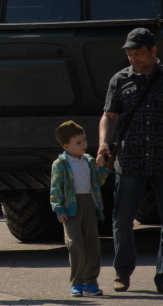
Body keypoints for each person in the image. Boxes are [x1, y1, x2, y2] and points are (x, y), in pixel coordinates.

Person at [99, 28, 163, 295]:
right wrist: (102, 144)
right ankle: (122, 273)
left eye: (139, 54)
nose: (134, 59)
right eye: (130, 54)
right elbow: (108, 117)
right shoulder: (119, 80)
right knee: (122, 220)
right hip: (129, 161)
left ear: (153, 51)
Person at [51, 121, 109, 297]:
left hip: (88, 205)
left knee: (92, 244)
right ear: (66, 146)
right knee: (75, 244)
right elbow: (55, 188)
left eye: (84, 140)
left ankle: (91, 282)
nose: (83, 145)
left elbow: (98, 181)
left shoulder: (89, 161)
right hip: (71, 208)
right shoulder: (60, 164)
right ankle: (77, 282)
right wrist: (59, 209)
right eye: (78, 142)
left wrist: (102, 167)